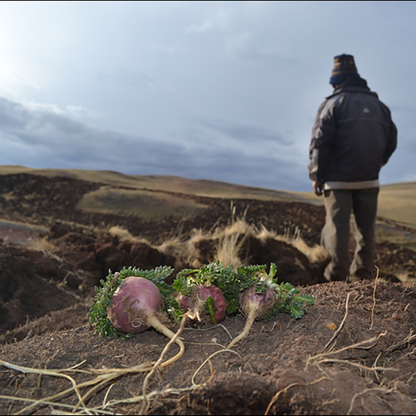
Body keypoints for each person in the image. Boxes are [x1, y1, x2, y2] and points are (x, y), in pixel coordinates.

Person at [308, 54, 397, 282]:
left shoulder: (331, 105)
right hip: (369, 179)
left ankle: (335, 279)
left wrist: (316, 176)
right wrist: (378, 163)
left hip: (338, 182)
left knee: (337, 231)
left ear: (336, 82)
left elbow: (320, 143)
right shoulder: (380, 106)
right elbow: (392, 139)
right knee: (366, 231)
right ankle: (363, 278)